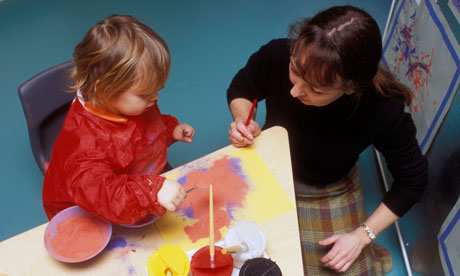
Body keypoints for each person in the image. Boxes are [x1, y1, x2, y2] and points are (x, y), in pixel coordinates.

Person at [227, 5, 427, 275]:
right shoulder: (277, 53)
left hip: (328, 186)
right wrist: (243, 121)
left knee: (340, 268)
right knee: (230, 248)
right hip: (270, 161)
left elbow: (413, 180)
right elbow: (241, 88)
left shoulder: (382, 110)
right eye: (295, 69)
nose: (296, 91)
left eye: (316, 89)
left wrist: (361, 236)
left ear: (351, 88)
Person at [42, 15, 195, 226]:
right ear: (104, 90)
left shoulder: (132, 103)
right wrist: (151, 191)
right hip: (90, 209)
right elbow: (104, 194)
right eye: (145, 94)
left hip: (134, 189)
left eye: (157, 90)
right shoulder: (84, 145)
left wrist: (170, 129)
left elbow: (145, 127)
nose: (155, 97)